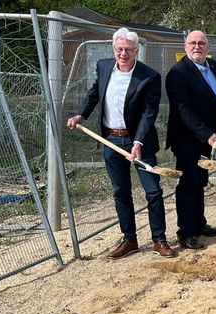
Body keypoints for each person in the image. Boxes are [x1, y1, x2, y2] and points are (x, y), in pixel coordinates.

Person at [68, 28, 175, 258]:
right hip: (111, 140)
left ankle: (159, 239)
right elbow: (94, 93)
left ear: (136, 51)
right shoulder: (104, 67)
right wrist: (81, 115)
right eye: (119, 49)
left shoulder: (149, 77)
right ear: (113, 49)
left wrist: (138, 142)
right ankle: (130, 240)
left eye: (128, 49)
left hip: (140, 141)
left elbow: (149, 113)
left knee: (153, 191)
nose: (123, 53)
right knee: (120, 192)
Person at [165, 30, 216, 250]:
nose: (197, 46)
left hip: (206, 137)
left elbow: (215, 90)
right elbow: (184, 110)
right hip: (188, 139)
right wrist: (207, 134)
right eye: (192, 43)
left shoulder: (212, 65)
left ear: (208, 47)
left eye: (201, 43)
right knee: (188, 184)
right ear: (185, 46)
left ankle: (199, 224)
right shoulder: (178, 73)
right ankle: (186, 232)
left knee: (200, 181)